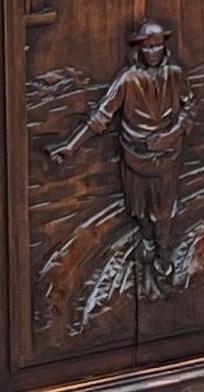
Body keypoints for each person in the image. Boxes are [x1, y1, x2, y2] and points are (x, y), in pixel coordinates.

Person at [51, 18, 194, 285]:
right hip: (135, 158)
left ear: (165, 47)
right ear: (139, 49)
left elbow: (189, 108)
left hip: (166, 157)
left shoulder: (175, 74)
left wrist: (172, 134)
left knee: (163, 213)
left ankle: (164, 258)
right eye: (147, 47)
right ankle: (148, 241)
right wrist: (71, 146)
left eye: (157, 46)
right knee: (139, 211)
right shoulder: (128, 79)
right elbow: (101, 116)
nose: (153, 52)